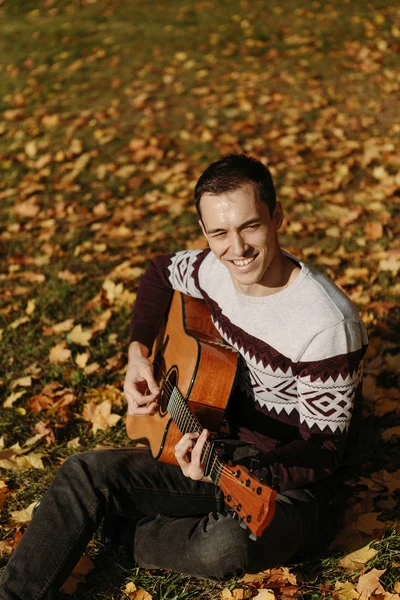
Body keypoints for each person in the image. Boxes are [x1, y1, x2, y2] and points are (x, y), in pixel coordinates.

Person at [0, 154, 368, 599]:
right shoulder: (213, 271)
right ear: (204, 230)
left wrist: (232, 469)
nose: (237, 248)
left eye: (250, 226)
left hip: (295, 486)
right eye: (218, 233)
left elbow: (322, 453)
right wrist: (138, 354)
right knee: (83, 471)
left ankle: (122, 530)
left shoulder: (326, 324)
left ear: (277, 216)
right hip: (219, 442)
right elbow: (158, 273)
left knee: (226, 544)